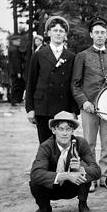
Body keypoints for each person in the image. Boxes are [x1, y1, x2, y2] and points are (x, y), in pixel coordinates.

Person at [71, 16, 107, 192]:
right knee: (89, 143)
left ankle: (104, 176)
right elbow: (75, 84)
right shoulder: (82, 56)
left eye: (103, 32)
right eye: (97, 32)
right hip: (89, 107)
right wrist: (84, 101)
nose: (100, 35)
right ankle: (90, 177)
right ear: (91, 35)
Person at [23, 111, 101, 212]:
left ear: (73, 131)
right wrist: (66, 175)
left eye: (68, 129)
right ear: (54, 130)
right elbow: (35, 174)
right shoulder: (46, 146)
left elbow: (97, 170)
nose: (65, 133)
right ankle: (44, 209)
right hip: (51, 188)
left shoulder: (80, 143)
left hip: (73, 188)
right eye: (61, 129)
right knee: (35, 182)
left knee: (84, 172)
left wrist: (81, 168)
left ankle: (83, 206)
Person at [26, 16, 79, 144]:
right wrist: (30, 109)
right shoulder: (39, 55)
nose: (58, 33)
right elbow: (31, 82)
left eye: (61, 31)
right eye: (55, 30)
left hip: (63, 108)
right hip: (43, 107)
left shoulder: (71, 56)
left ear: (65, 34)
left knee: (63, 144)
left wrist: (73, 111)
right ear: (48, 33)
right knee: (45, 144)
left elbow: (74, 84)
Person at [8, 34, 26, 106]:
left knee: (16, 85)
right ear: (13, 41)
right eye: (18, 41)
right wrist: (18, 72)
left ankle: (16, 100)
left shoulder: (12, 48)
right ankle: (14, 101)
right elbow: (16, 62)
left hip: (13, 70)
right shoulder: (14, 50)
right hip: (15, 71)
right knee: (15, 86)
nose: (19, 42)